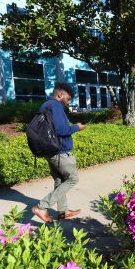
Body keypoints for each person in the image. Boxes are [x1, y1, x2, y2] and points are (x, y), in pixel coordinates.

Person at [32, 83, 86, 223]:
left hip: (49, 150)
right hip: (60, 152)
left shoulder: (45, 105)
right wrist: (77, 127)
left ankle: (63, 211)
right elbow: (62, 130)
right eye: (67, 99)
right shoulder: (56, 106)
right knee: (73, 179)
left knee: (59, 180)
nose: (67, 102)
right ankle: (41, 207)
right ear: (60, 95)